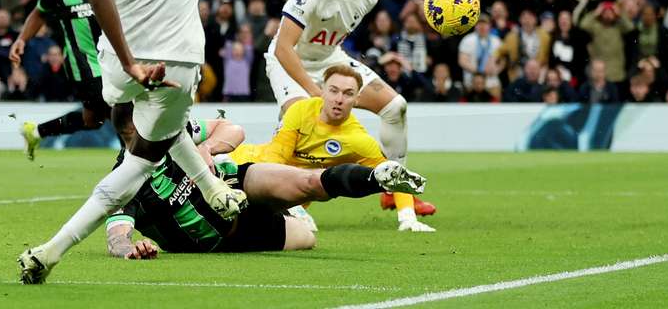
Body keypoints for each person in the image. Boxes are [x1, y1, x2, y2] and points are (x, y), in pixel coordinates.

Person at [18, 0, 243, 284]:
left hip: (114, 56)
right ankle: (50, 252)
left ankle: (212, 188)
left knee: (136, 124)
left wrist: (125, 61)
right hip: (176, 55)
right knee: (142, 158)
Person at [104, 96, 427, 257]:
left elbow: (233, 128)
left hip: (236, 182)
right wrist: (133, 249)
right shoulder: (123, 181)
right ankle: (283, 210)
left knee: (309, 182)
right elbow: (116, 237)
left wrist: (209, 149)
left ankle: (378, 178)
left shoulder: (175, 131)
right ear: (129, 135)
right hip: (230, 236)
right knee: (306, 238)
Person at [267, 0, 435, 216]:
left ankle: (395, 190)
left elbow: (335, 36)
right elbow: (283, 47)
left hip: (331, 58)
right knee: (299, 125)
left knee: (396, 107)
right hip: (289, 59)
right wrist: (313, 90)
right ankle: (282, 202)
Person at [231, 65, 435, 232]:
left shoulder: (358, 140)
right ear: (322, 91)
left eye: (348, 94)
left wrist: (407, 217)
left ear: (357, 100)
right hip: (239, 165)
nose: (339, 99)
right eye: (333, 90)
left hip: (278, 196)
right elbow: (275, 160)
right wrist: (295, 210)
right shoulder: (300, 111)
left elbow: (391, 174)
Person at [11, 0, 113, 159]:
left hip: (114, 61)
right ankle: (136, 175)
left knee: (92, 120)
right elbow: (40, 12)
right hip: (84, 65)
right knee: (124, 117)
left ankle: (36, 132)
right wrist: (22, 39)